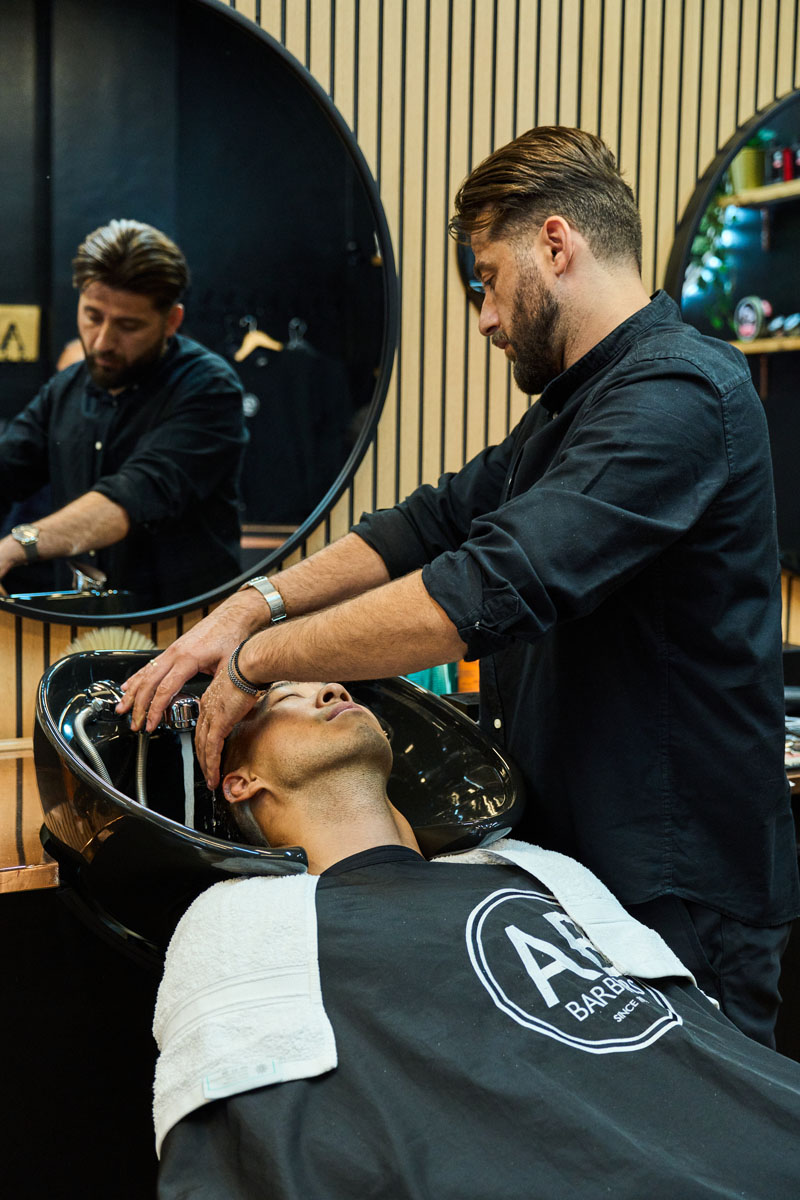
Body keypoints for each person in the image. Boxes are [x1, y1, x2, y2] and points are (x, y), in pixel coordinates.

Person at [119, 127, 800, 1044]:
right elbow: (427, 524)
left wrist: (257, 660)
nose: (483, 316)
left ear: (556, 243)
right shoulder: (574, 407)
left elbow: (484, 586)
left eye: (485, 279)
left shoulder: (679, 394)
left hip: (680, 885)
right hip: (588, 868)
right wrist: (252, 603)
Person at [154, 680, 800, 1200]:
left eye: (327, 682)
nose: (327, 689)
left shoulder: (533, 871)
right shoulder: (249, 925)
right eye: (279, 701)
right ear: (240, 781)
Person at [0, 219, 246, 606]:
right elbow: (8, 466)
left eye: (128, 325)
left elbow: (131, 497)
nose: (102, 342)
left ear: (172, 321)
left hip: (181, 629)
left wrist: (16, 546)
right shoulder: (66, 388)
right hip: (85, 625)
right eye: (93, 316)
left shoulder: (209, 388)